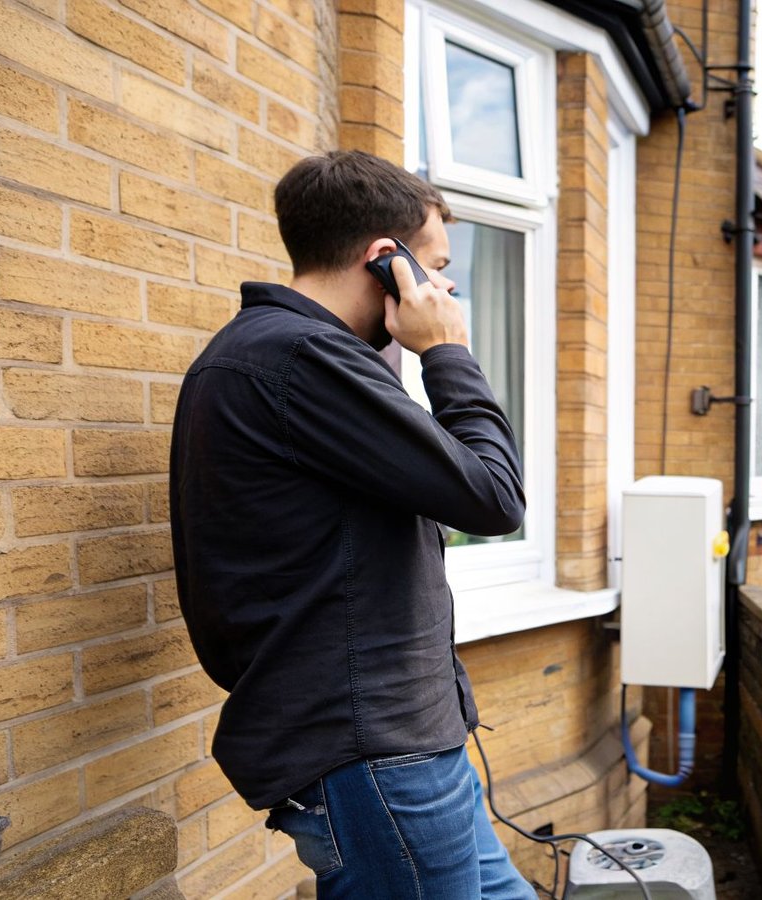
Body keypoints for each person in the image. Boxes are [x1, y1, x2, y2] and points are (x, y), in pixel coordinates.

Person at [169, 149, 535, 899]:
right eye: (433, 265)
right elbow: (495, 497)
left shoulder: (301, 358)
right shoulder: (298, 357)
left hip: (405, 745)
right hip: (375, 756)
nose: (446, 285)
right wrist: (448, 351)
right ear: (383, 260)